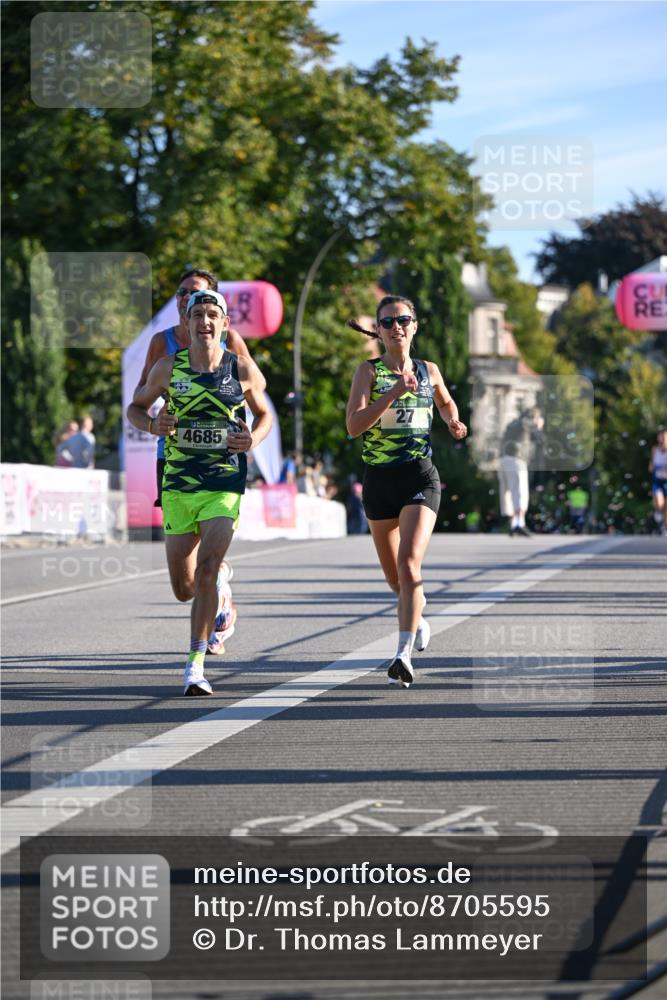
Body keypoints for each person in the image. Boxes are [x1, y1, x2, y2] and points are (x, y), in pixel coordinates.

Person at [127, 288, 272, 696]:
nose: (205, 322)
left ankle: (195, 666)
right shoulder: (166, 368)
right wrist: (153, 425)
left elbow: (264, 416)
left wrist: (253, 440)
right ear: (187, 325)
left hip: (223, 481)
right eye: (198, 316)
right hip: (178, 483)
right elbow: (135, 409)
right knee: (184, 588)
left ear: (224, 324)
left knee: (206, 567)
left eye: (213, 315)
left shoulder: (240, 368)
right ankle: (221, 591)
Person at [346, 295, 467, 688]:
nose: (396, 326)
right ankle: (418, 614)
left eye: (403, 320)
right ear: (379, 331)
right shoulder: (368, 372)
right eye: (387, 322)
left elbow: (446, 402)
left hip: (419, 477)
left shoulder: (429, 370)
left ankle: (402, 654)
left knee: (410, 565)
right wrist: (393, 393)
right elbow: (354, 426)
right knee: (395, 580)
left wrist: (453, 422)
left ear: (415, 325)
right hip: (379, 481)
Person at [498, 440, 531, 536]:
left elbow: (500, 476)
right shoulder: (518, 462)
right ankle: (519, 525)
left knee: (511, 505)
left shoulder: (503, 462)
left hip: (508, 486)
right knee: (519, 505)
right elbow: (520, 477)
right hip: (518, 486)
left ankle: (515, 526)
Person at [649, 428, 667, 536]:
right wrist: (653, 468)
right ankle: (657, 512)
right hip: (658, 481)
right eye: (660, 436)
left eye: (664, 436)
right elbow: (651, 465)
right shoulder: (655, 449)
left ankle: (664, 527)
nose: (662, 439)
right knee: (660, 503)